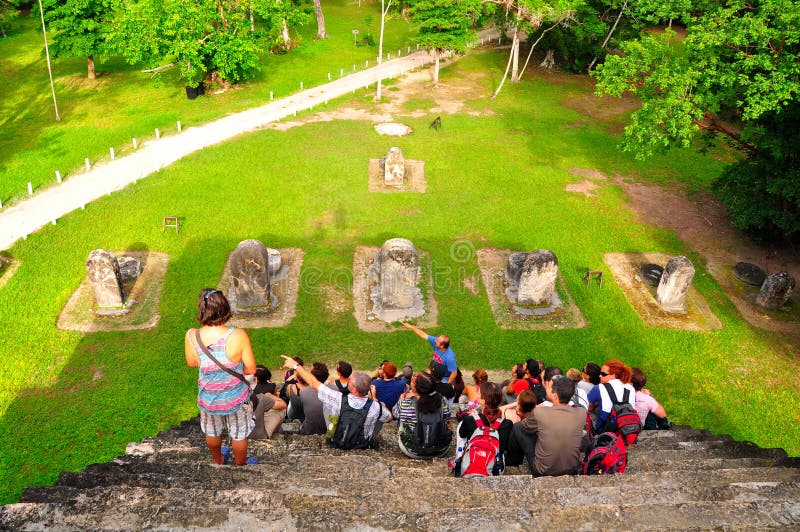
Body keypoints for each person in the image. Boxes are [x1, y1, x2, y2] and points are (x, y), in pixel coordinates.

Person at [184, 288, 257, 466]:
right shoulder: (238, 335)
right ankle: (240, 465)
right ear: (225, 308)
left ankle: (218, 460)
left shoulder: (192, 335)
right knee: (239, 433)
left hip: (209, 398)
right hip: (235, 398)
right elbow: (251, 368)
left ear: (202, 309)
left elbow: (192, 362)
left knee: (212, 431)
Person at [280, 356, 391, 446]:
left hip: (338, 441)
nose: (349, 381)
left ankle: (332, 432)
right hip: (362, 444)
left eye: (351, 382)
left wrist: (296, 366)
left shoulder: (337, 398)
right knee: (381, 410)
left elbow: (314, 383)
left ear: (354, 389)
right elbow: (389, 417)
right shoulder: (375, 406)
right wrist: (375, 400)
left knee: (327, 406)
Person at [518, 377, 586, 476]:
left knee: (517, 427)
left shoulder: (539, 412)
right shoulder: (582, 413)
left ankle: (513, 461)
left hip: (543, 470)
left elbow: (524, 427)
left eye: (549, 388)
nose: (547, 389)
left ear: (555, 396)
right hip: (571, 468)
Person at [453, 382, 513, 475]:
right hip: (496, 469)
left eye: (479, 393)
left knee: (461, 425)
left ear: (483, 400)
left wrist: (473, 418)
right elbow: (504, 446)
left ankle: (459, 458)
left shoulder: (469, 420)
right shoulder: (507, 424)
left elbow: (462, 435)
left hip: (470, 467)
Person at [393, 371, 452, 458]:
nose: (411, 380)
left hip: (412, 451)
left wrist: (401, 399)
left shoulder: (405, 401)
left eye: (413, 381)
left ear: (417, 388)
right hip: (440, 450)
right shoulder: (442, 399)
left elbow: (395, 414)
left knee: (402, 420)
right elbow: (447, 416)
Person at [587, 359, 636, 434]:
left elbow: (588, 407)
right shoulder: (630, 388)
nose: (600, 376)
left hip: (604, 431)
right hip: (626, 429)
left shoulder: (599, 388)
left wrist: (596, 404)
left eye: (603, 374)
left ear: (613, 376)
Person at [286, 362, 329, 435]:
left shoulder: (304, 392)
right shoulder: (332, 390)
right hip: (326, 426)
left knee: (283, 427)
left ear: (312, 377)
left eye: (309, 372)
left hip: (306, 428)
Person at [504, 389, 537, 468]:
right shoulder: (538, 415)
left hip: (522, 458)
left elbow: (500, 409)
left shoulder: (514, 420)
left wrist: (515, 405)